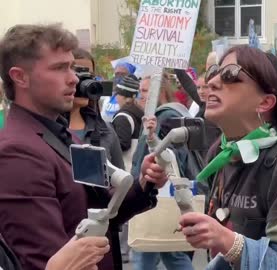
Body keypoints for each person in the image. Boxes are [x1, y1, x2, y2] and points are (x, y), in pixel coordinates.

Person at [0, 24, 167, 270]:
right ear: (20, 77)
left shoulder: (61, 133)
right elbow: (48, 260)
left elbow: (103, 211)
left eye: (72, 67)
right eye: (59, 68)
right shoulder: (17, 152)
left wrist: (143, 183)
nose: (74, 79)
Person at [178, 45, 277, 269]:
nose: (211, 82)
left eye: (230, 75)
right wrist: (150, 185)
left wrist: (225, 239)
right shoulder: (222, 155)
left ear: (265, 102)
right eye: (214, 72)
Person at [130, 75, 196, 270]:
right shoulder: (167, 115)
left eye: (144, 91)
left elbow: (169, 156)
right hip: (158, 193)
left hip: (156, 193)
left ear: (158, 93)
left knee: (145, 250)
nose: (139, 96)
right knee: (169, 253)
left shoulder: (165, 117)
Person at [69, 48, 124, 169]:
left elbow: (122, 184)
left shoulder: (106, 131)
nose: (85, 82)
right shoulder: (46, 130)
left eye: (89, 76)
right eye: (78, 74)